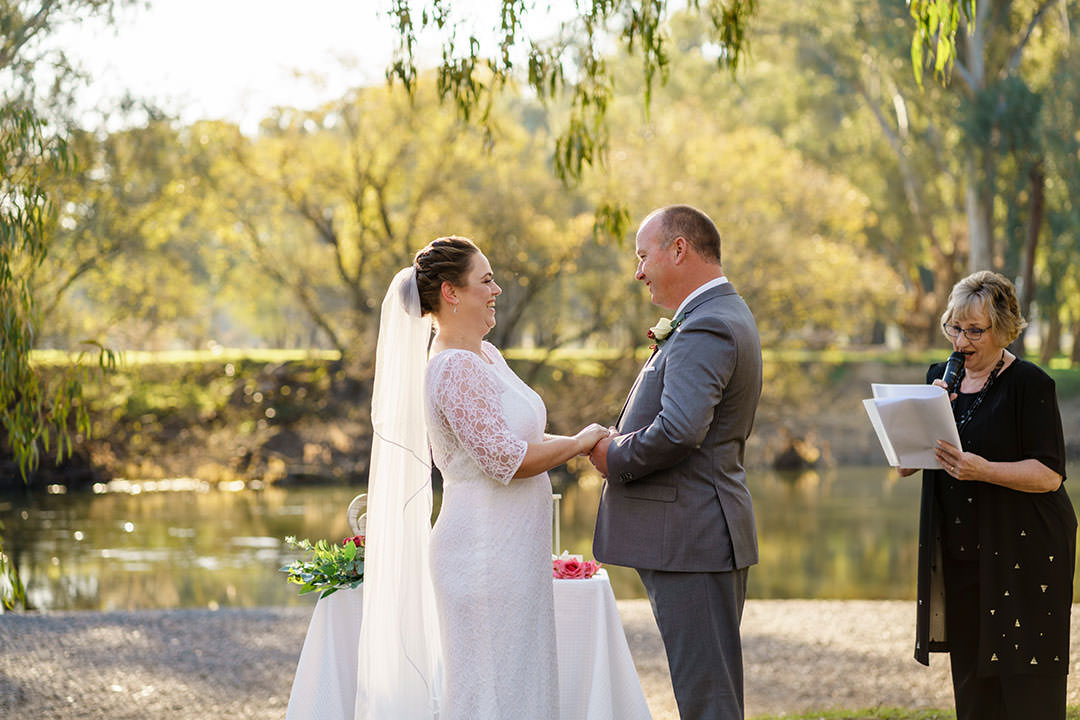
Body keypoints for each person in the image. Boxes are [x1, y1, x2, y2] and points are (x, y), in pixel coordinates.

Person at [355, 235, 610, 720]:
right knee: (493, 691)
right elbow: (505, 460)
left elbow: (520, 436)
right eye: (486, 280)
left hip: (513, 551)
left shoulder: (487, 358)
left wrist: (587, 441)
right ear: (451, 293)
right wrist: (580, 443)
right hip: (482, 554)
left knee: (521, 682)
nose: (496, 291)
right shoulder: (453, 368)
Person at [589, 205, 763, 720]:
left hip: (692, 535)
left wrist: (612, 453)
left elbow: (682, 429)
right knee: (709, 692)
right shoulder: (718, 314)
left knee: (707, 700)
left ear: (679, 249)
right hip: (698, 533)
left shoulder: (708, 324)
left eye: (644, 256)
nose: (638, 271)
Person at [898, 271, 1075, 720]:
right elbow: (907, 463)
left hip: (1026, 553)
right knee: (974, 687)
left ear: (1004, 329)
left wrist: (985, 470)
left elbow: (1050, 474)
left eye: (975, 330)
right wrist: (922, 418)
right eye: (955, 328)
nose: (961, 341)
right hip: (962, 556)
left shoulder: (1031, 385)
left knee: (1026, 686)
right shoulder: (940, 377)